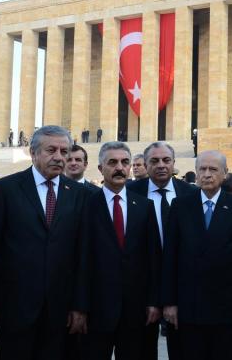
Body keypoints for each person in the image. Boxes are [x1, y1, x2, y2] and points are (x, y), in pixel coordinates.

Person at [0, 125, 89, 360]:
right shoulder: (6, 189)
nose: (59, 157)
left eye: (64, 151)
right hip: (15, 309)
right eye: (51, 150)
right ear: (33, 153)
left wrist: (79, 305)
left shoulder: (80, 194)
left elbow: (83, 255)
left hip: (62, 311)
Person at [162, 150, 232, 360]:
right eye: (202, 169)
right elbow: (170, 257)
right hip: (189, 306)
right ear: (196, 172)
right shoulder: (180, 206)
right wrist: (169, 302)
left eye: (213, 169)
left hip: (227, 306)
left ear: (224, 174)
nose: (207, 174)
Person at [78, 142, 161, 360]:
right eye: (112, 162)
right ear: (100, 168)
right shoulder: (85, 205)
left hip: (136, 310)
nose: (120, 168)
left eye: (125, 162)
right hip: (96, 310)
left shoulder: (144, 206)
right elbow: (80, 259)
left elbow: (152, 258)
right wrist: (80, 306)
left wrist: (153, 301)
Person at [126, 141, 197, 360]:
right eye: (154, 161)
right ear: (145, 165)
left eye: (166, 160)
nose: (161, 165)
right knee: (142, 348)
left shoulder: (191, 194)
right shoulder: (130, 192)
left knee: (182, 346)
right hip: (141, 284)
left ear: (174, 163)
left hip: (182, 283)